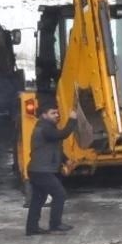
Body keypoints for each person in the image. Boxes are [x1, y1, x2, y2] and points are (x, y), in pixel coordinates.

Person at [26, 100, 77, 235]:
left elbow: (56, 149)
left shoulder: (48, 128)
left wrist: (66, 160)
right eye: (52, 113)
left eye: (57, 112)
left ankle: (32, 228)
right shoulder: (44, 128)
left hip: (38, 170)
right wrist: (72, 120)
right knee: (60, 194)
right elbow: (62, 134)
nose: (56, 115)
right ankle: (55, 224)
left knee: (38, 198)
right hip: (41, 171)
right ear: (44, 115)